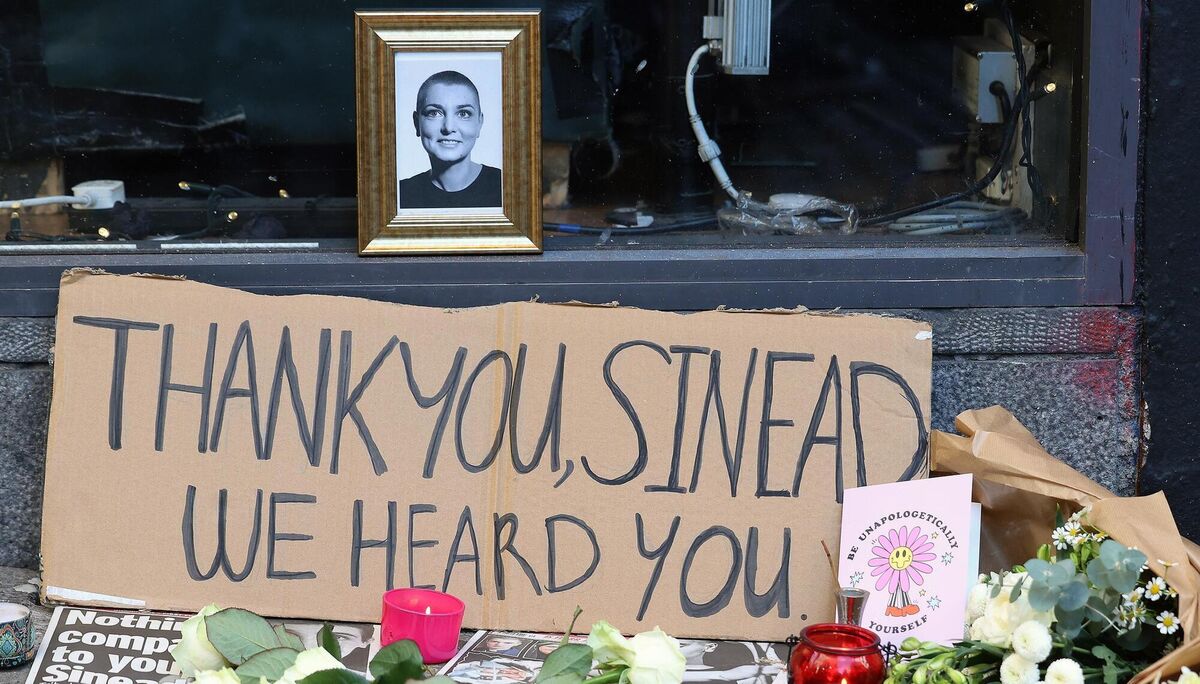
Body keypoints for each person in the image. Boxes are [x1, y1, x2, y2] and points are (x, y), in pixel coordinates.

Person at [399, 70, 502, 209]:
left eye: (463, 113)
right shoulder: (399, 195)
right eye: (434, 113)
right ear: (417, 123)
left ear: (479, 123)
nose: (448, 127)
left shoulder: (508, 188)